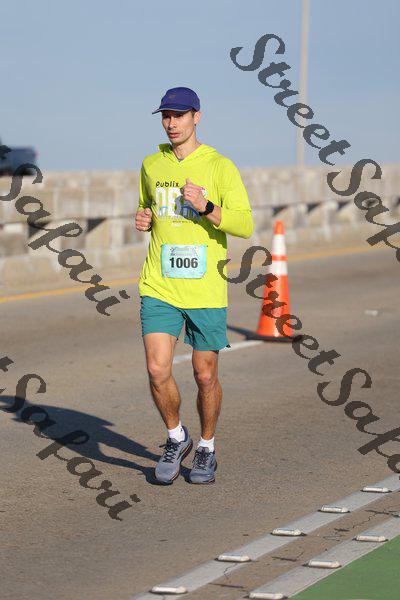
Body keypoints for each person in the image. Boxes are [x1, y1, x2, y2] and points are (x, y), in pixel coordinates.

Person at [135, 86, 253, 484]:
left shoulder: (220, 166)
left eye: (180, 115)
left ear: (196, 117)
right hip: (160, 285)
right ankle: (175, 437)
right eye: (166, 116)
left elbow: (244, 223)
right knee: (157, 369)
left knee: (205, 375)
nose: (172, 123)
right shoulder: (152, 165)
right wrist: (144, 218)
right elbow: (147, 206)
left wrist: (205, 207)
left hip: (204, 288)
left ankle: (206, 447)